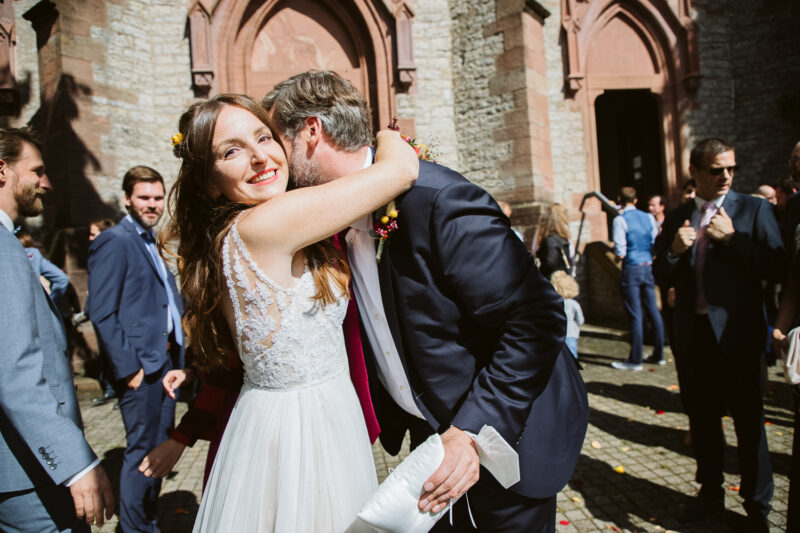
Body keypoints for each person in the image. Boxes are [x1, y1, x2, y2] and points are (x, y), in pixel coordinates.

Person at [265, 70, 588, 531]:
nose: (272, 159)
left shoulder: (437, 201)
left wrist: (471, 432)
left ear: (312, 132)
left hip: (506, 435)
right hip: (428, 443)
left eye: (277, 140)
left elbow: (536, 319)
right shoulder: (326, 223)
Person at [162, 93, 417, 531]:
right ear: (208, 180)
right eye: (232, 150)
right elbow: (400, 169)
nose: (260, 158)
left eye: (264, 137)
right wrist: (386, 135)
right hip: (302, 430)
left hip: (302, 414)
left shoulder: (233, 230)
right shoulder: (265, 224)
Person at [654, 138, 783, 531]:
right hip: (695, 340)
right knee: (704, 422)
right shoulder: (678, 217)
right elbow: (659, 274)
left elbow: (777, 267)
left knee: (749, 423)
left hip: (739, 339)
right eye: (716, 170)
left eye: (731, 169)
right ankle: (710, 495)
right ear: (695, 172)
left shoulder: (754, 209)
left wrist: (734, 240)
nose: (726, 176)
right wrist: (674, 252)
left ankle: (756, 506)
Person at [0, 127, 114, 531]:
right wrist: (75, 463)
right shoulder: (4, 249)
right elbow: (15, 372)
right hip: (27, 474)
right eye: (36, 170)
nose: (45, 183)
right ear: (2, 170)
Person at [87, 166, 185, 533]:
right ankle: (134, 529)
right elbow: (102, 311)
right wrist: (130, 369)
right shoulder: (116, 240)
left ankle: (148, 521)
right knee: (141, 453)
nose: (153, 204)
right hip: (142, 369)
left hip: (167, 365)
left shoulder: (151, 240)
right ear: (127, 199)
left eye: (158, 198)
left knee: (159, 450)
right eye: (144, 198)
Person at [612, 186, 664, 369]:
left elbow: (620, 250)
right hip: (647, 267)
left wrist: (618, 256)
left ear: (620, 200)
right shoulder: (649, 218)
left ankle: (635, 360)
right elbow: (653, 241)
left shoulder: (620, 220)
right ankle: (659, 354)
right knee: (653, 311)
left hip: (632, 268)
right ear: (635, 201)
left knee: (635, 315)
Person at [84, 218, 119, 408]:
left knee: (113, 356)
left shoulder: (111, 254)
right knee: (105, 356)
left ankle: (118, 392)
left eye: (93, 233)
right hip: (97, 312)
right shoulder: (96, 254)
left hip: (111, 315)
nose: (90, 238)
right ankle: (110, 390)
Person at [15, 229, 71, 307]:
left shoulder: (10, 253)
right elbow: (62, 278)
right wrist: (50, 304)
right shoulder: (35, 254)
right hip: (36, 304)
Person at [535, 203, 574, 279]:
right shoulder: (565, 237)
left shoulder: (548, 239)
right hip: (564, 278)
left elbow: (549, 264)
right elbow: (571, 258)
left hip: (553, 281)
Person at [550, 270, 583, 361]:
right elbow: (580, 320)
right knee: (572, 359)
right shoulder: (573, 304)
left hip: (555, 335)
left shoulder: (552, 303)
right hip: (570, 334)